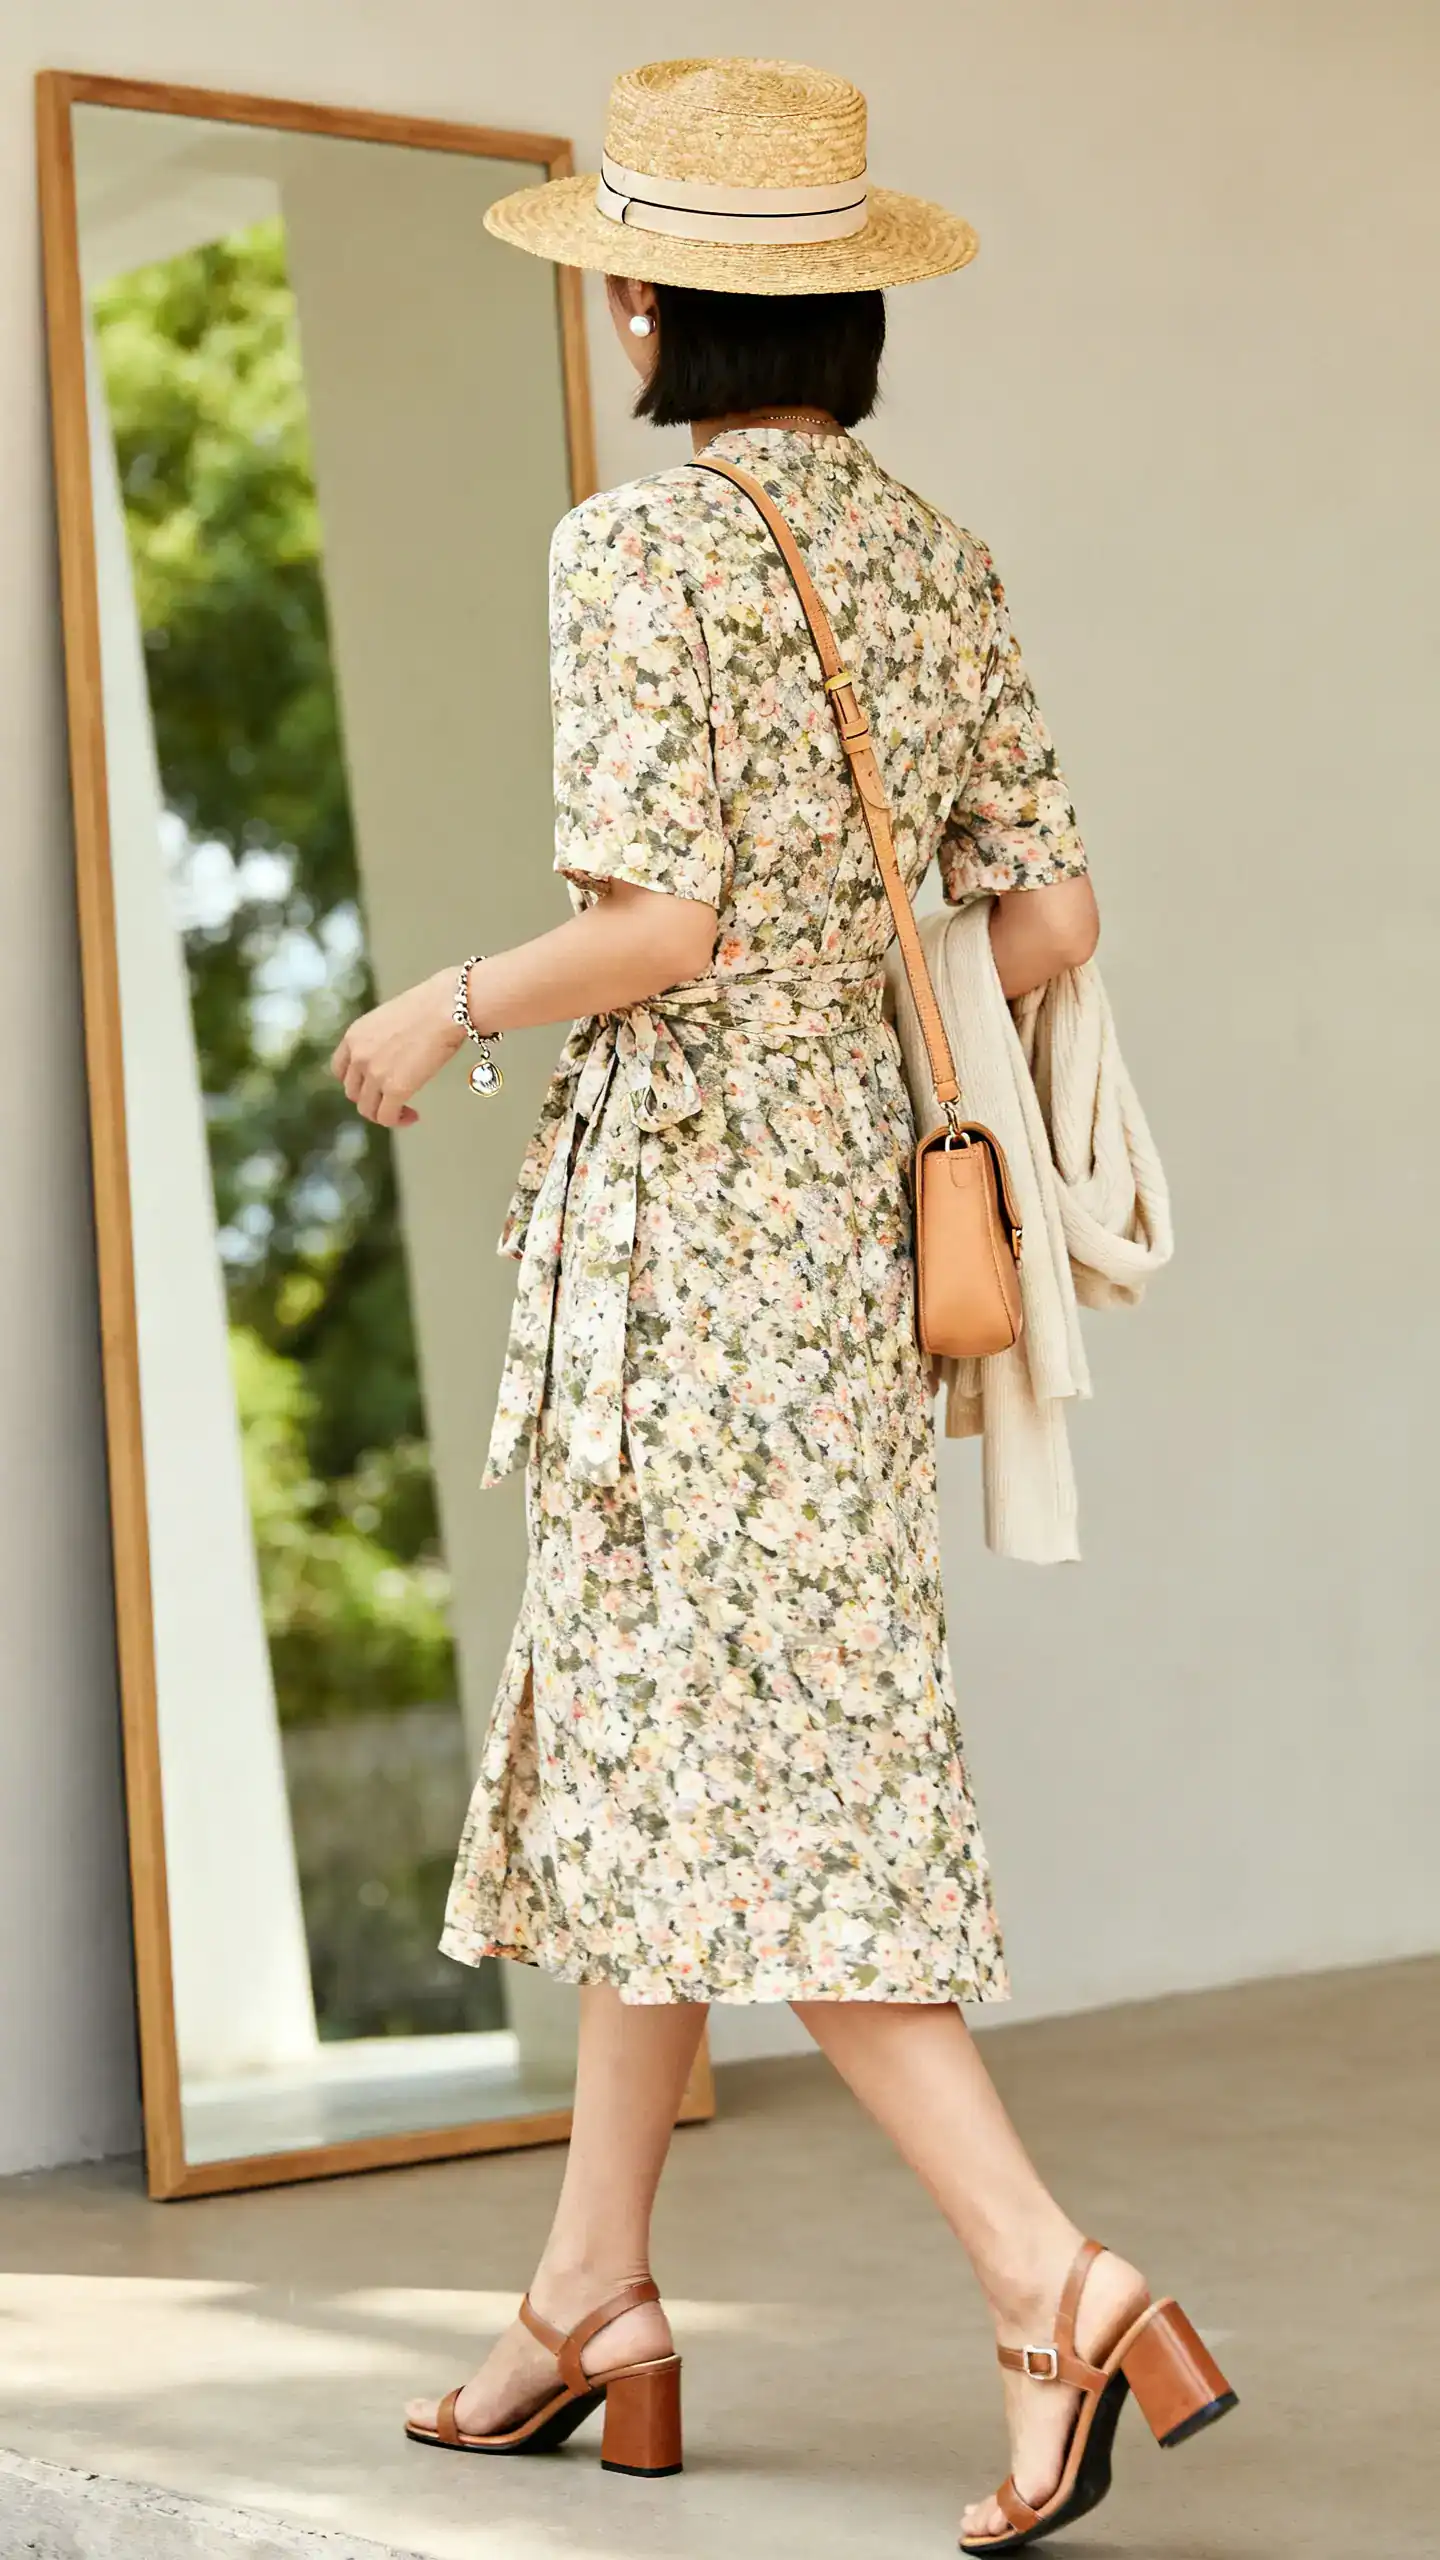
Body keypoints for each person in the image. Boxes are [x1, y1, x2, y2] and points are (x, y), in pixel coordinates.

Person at [330, 57, 1232, 2554]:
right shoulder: (940, 559)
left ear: (647, 297)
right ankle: (587, 2289)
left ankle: (1055, 2278)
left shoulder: (632, 556)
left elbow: (670, 929)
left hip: (686, 1240)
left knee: (763, 1779)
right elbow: (1044, 915)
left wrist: (448, 999)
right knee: (671, 1739)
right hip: (856, 1236)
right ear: (843, 303)